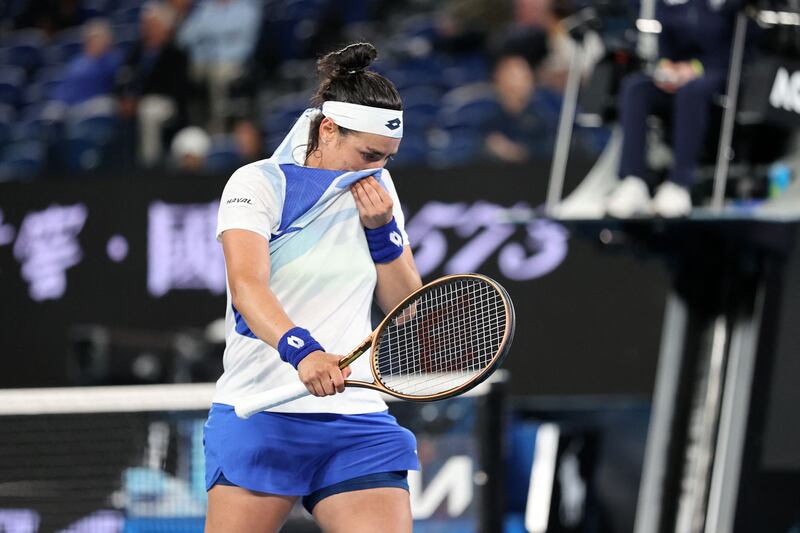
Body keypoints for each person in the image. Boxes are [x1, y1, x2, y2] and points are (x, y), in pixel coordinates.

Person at [204, 42, 422, 533]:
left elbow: (405, 308)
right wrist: (303, 352)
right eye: (368, 154)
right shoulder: (258, 184)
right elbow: (247, 286)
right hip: (263, 411)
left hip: (356, 417)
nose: (377, 171)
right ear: (328, 129)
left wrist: (382, 233)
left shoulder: (380, 195)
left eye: (387, 159)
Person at [606, 0, 735, 218]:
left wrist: (695, 68)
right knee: (636, 88)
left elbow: (740, 48)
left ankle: (680, 183)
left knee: (691, 90)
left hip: (722, 73)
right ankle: (633, 181)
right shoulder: (672, 4)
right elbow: (666, 43)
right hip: (681, 72)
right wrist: (666, 65)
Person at [117, 2, 191, 167]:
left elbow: (176, 87)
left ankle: (150, 164)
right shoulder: (138, 51)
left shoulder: (175, 53)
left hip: (166, 102)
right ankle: (118, 164)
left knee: (149, 110)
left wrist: (139, 99)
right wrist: (124, 98)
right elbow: (123, 76)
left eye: (153, 25)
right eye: (146, 25)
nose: (148, 29)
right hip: (138, 100)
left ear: (165, 27)